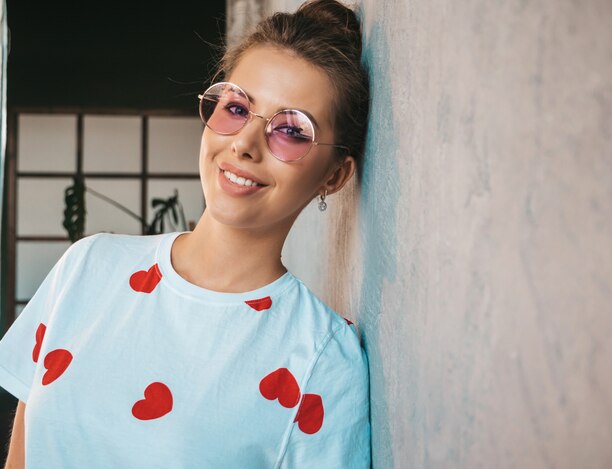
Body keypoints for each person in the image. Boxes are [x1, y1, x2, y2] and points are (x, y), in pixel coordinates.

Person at [0, 0, 371, 466]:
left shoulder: (322, 356)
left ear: (334, 176)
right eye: (237, 107)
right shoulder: (88, 266)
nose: (244, 144)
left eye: (292, 131)